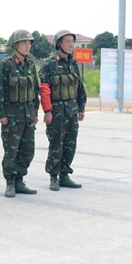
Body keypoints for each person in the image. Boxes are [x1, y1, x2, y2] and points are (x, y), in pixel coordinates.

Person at [0, 29, 40, 198]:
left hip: (28, 116)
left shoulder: (31, 65)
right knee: (11, 151)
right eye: (24, 43)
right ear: (15, 45)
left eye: (29, 43)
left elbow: (35, 90)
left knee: (28, 150)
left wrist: (35, 112)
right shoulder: (5, 66)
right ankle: (10, 182)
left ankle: (20, 179)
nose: (27, 46)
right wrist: (1, 114)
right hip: (12, 117)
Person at [39, 30, 87, 191]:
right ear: (59, 43)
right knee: (56, 144)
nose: (71, 44)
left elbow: (79, 87)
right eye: (67, 41)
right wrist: (47, 111)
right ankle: (53, 176)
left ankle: (65, 175)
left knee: (70, 144)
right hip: (56, 111)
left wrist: (81, 108)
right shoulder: (49, 64)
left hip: (72, 111)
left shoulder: (73, 64)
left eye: (72, 41)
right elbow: (44, 89)